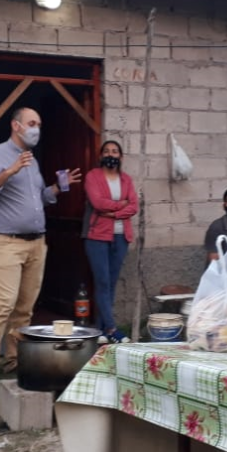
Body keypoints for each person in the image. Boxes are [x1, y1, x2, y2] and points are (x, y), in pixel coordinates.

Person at [0, 107, 81, 392]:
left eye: (39, 124)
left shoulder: (34, 162)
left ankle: (14, 361)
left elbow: (38, 199)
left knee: (24, 309)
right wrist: (10, 171)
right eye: (32, 123)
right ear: (16, 125)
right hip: (5, 242)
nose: (36, 129)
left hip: (35, 243)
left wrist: (57, 188)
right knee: (2, 304)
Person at [82, 140, 138, 343]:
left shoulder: (126, 180)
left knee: (111, 283)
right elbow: (97, 203)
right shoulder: (92, 176)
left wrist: (113, 213)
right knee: (103, 281)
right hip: (97, 236)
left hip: (121, 236)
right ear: (100, 156)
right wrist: (120, 206)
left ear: (121, 157)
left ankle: (100, 329)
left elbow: (133, 206)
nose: (111, 154)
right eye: (106, 151)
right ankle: (112, 329)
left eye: (115, 152)